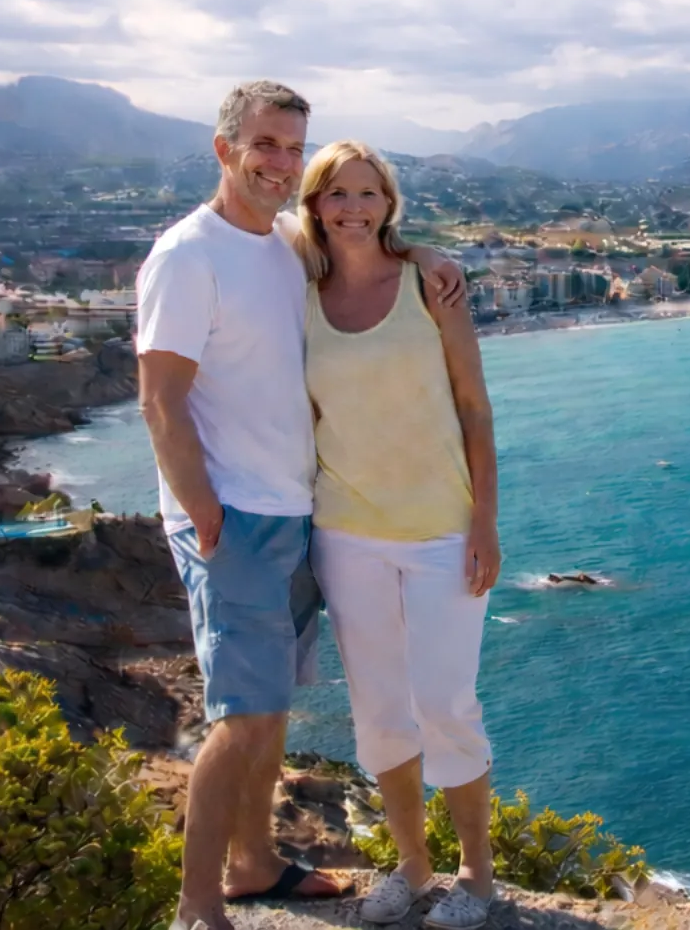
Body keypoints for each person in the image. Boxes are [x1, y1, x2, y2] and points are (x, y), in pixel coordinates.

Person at [138, 82, 467, 930]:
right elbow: (160, 402)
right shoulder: (188, 254)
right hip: (234, 519)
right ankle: (198, 907)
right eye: (266, 144)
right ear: (224, 149)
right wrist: (202, 512)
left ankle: (253, 859)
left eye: (294, 147)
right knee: (240, 716)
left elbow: (364, 231)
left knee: (272, 706)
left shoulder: (286, 244)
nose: (281, 163)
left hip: (298, 511)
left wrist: (426, 253)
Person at [296, 141, 502, 930]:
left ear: (390, 202)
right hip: (345, 533)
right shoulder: (301, 289)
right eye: (337, 194)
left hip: (442, 532)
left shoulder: (430, 283)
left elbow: (474, 407)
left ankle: (475, 877)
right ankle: (412, 867)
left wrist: (484, 521)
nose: (353, 207)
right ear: (314, 204)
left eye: (369, 193)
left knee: (446, 702)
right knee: (380, 710)